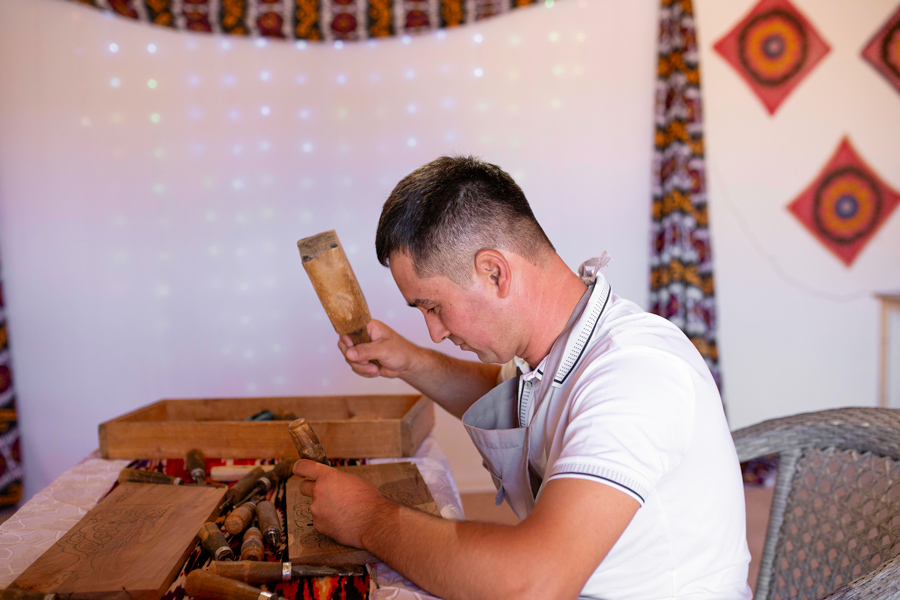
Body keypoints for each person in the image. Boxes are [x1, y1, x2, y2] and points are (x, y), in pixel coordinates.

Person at [293, 156, 752, 600]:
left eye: (433, 307)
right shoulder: (558, 349)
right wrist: (407, 360)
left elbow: (531, 584)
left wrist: (368, 518)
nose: (434, 331)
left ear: (494, 272)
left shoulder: (636, 375)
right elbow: (513, 402)